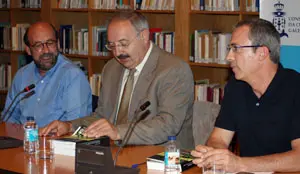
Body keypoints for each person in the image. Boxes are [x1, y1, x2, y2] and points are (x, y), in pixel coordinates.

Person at [41, 10, 195, 149]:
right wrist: (70, 126)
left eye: (123, 44)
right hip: (116, 151)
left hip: (163, 157)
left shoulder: (173, 70)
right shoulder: (111, 68)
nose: (118, 52)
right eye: (112, 46)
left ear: (144, 36)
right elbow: (102, 116)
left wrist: (117, 132)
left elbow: (167, 125)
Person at [191, 18, 300, 172]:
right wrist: (216, 155)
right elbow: (219, 138)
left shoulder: (295, 87)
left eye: (236, 49)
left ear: (262, 53)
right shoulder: (236, 87)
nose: (229, 57)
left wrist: (239, 164)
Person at [2, 22, 92, 127]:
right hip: (24, 140)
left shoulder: (73, 76)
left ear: (58, 44)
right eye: (38, 45)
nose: (46, 50)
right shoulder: (22, 75)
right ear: (28, 50)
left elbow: (75, 127)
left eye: (50, 43)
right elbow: (9, 118)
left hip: (56, 141)